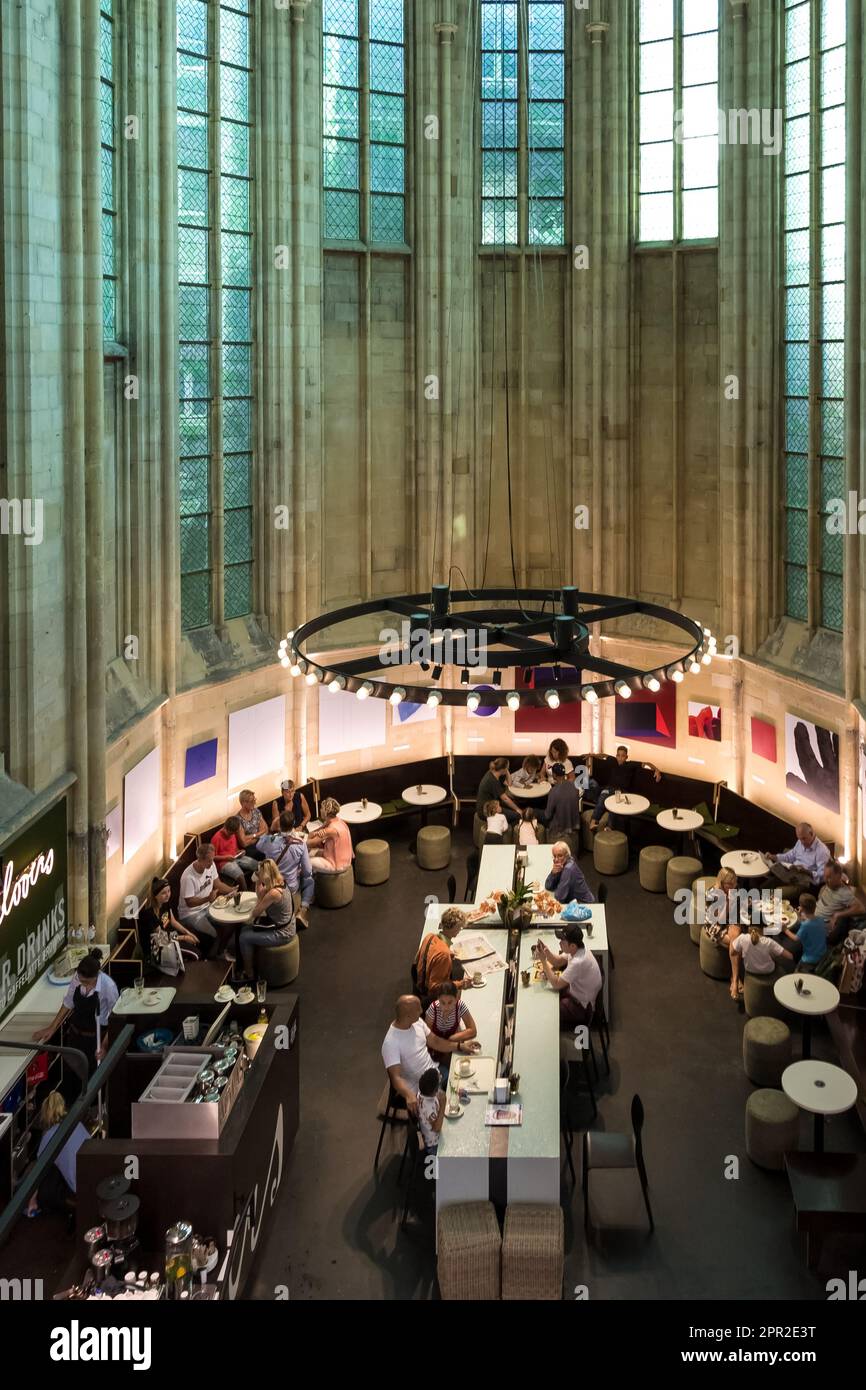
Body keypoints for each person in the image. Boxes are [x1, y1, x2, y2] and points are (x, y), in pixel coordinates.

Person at [32, 950, 119, 1076]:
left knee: (93, 1077)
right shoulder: (77, 978)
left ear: (96, 976)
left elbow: (114, 1018)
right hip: (75, 1036)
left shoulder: (108, 986)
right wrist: (52, 1027)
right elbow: (68, 1002)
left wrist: (104, 1046)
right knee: (73, 1074)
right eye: (80, 980)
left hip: (96, 1038)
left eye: (87, 982)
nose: (82, 983)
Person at [381, 996, 462, 1115]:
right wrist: (408, 1094)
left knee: (463, 1084)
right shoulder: (390, 1043)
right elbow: (395, 1078)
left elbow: (435, 1042)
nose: (421, 1011)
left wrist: (459, 1046)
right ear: (408, 1015)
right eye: (418, 1009)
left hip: (437, 1073)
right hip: (423, 1089)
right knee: (451, 1110)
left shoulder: (417, 1022)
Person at [24, 1092, 90, 1218]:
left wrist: (32, 1202)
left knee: (47, 1181)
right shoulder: (78, 1125)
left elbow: (37, 1175)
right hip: (92, 1179)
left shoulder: (49, 1137)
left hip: (77, 1189)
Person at [235, 860, 296, 978]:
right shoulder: (279, 881)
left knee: (244, 937)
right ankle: (249, 962)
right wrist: (258, 881)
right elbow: (260, 894)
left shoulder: (273, 893)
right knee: (244, 929)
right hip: (285, 924)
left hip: (282, 933)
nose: (258, 874)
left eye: (260, 873)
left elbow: (256, 912)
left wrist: (258, 901)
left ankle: (249, 973)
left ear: (265, 875)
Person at [534, 925, 601, 1028]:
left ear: (572, 945)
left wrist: (543, 961)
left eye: (563, 941)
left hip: (582, 1008)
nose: (559, 943)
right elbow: (558, 961)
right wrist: (546, 952)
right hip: (578, 993)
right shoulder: (579, 950)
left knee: (548, 1011)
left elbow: (556, 984)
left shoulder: (578, 962)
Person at [257, 810, 315, 929]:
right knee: (310, 879)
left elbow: (258, 845)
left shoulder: (269, 841)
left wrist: (272, 830)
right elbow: (308, 870)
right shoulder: (300, 844)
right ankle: (303, 908)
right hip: (290, 886)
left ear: (279, 824)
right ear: (293, 824)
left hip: (271, 885)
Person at [177, 842, 236, 957]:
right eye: (209, 860)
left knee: (230, 923)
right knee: (213, 935)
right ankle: (211, 960)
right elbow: (189, 902)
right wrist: (208, 899)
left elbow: (217, 883)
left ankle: (222, 951)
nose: (212, 862)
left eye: (212, 859)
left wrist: (231, 890)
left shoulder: (211, 865)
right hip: (190, 914)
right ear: (200, 859)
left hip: (207, 906)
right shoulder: (188, 877)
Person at [590, 744, 661, 833]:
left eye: (623, 756)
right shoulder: (612, 760)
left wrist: (656, 770)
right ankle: (593, 823)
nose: (620, 758)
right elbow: (603, 755)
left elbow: (646, 764)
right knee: (602, 798)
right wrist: (591, 755)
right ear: (616, 756)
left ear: (626, 757)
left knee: (615, 806)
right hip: (609, 788)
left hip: (622, 792)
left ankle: (609, 827)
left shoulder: (630, 764)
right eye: (618, 755)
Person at [136, 878, 200, 969]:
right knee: (195, 955)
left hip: (169, 938)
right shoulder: (148, 914)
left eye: (169, 891)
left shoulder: (165, 902)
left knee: (197, 938)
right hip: (157, 948)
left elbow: (173, 921)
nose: (168, 895)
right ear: (155, 895)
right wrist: (184, 938)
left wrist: (188, 933)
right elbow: (162, 937)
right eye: (163, 893)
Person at [414, 907, 473, 1002]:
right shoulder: (444, 954)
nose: (460, 930)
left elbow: (418, 959)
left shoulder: (430, 936)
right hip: (430, 997)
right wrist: (461, 984)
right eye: (459, 927)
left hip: (419, 983)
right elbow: (434, 987)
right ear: (453, 928)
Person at [424, 981, 479, 1084]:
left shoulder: (460, 1006)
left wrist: (453, 1038)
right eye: (442, 1002)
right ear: (438, 999)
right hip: (435, 1049)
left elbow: (473, 1030)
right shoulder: (433, 1009)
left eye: (450, 1002)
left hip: (452, 1046)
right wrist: (448, 1043)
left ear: (457, 997)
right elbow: (427, 1036)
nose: (446, 1007)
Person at [762, 822, 830, 897]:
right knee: (765, 887)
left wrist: (806, 871)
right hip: (791, 875)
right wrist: (773, 857)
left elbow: (822, 876)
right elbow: (789, 856)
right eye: (799, 839)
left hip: (804, 883)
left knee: (775, 895)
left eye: (804, 839)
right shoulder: (800, 842)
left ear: (811, 833)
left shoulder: (822, 851)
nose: (802, 842)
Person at [730, 924, 794, 1000]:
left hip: (749, 969)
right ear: (763, 929)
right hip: (768, 970)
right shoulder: (769, 942)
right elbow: (790, 956)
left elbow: (732, 953)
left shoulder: (742, 938)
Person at [814, 861, 866, 945]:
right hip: (812, 919)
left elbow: (862, 909)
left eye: (829, 877)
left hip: (822, 929)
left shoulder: (844, 893)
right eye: (825, 876)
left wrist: (838, 914)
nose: (826, 880)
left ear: (838, 876)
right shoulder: (829, 884)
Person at [306, 798, 353, 875]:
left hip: (338, 865)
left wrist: (299, 840)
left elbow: (309, 843)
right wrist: (315, 833)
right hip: (341, 858)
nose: (320, 810)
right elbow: (313, 833)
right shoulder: (337, 821)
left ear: (325, 812)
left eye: (321, 808)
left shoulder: (330, 829)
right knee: (309, 852)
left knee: (305, 861)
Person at [782, 894, 827, 970]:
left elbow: (796, 938)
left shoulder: (806, 925)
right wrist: (799, 915)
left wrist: (785, 930)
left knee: (797, 971)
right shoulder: (821, 919)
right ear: (815, 907)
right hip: (823, 952)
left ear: (802, 908)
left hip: (810, 959)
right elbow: (808, 922)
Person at [545, 841, 594, 905]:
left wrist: (557, 886)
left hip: (584, 904)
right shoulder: (562, 864)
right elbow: (548, 886)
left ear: (567, 855)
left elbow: (559, 898)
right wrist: (553, 873)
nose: (556, 859)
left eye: (560, 856)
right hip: (573, 900)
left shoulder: (568, 869)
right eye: (554, 856)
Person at [476, 757, 521, 826]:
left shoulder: (494, 773)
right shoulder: (492, 781)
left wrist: (506, 771)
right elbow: (505, 799)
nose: (508, 769)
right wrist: (518, 809)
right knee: (517, 816)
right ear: (503, 769)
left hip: (490, 804)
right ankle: (505, 831)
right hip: (486, 810)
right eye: (507, 768)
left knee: (513, 804)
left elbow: (509, 783)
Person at [540, 763, 581, 839]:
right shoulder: (575, 787)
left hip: (559, 827)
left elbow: (548, 815)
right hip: (574, 824)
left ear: (554, 775)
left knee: (536, 812)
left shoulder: (553, 791)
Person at [210, 815, 247, 887]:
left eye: (233, 834)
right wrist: (225, 858)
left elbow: (235, 849)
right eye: (230, 833)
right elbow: (212, 857)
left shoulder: (233, 834)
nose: (231, 835)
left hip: (234, 858)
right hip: (223, 863)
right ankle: (246, 894)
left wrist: (240, 852)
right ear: (225, 827)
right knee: (241, 877)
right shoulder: (216, 838)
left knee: (257, 865)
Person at [416, 1067, 446, 1157]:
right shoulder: (428, 1107)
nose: (440, 1076)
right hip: (434, 1144)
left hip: (437, 1129)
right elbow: (436, 1128)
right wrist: (443, 1105)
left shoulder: (422, 1092)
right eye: (439, 1080)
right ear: (434, 1090)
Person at [235, 790, 268, 871]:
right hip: (250, 849)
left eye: (254, 800)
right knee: (265, 853)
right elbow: (243, 843)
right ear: (243, 803)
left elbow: (266, 829)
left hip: (262, 840)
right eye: (252, 801)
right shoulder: (238, 819)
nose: (254, 802)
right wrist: (258, 835)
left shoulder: (256, 811)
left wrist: (252, 836)